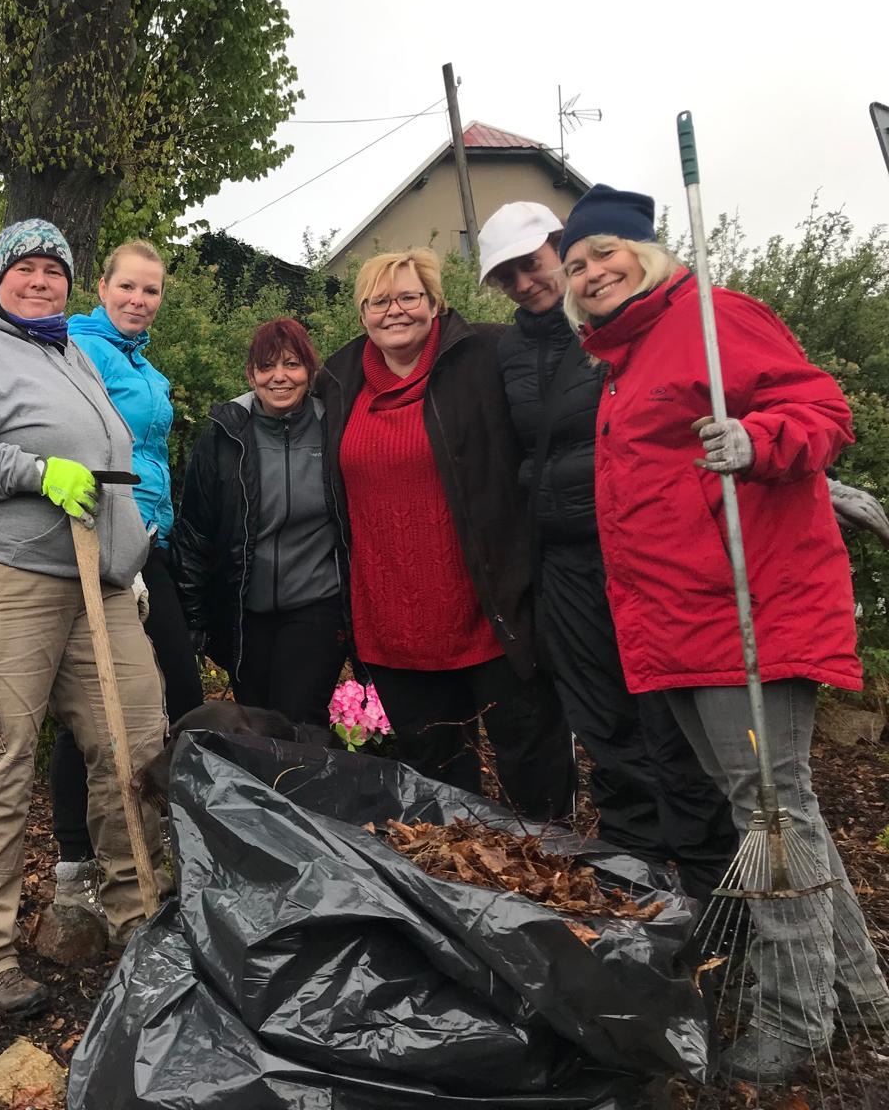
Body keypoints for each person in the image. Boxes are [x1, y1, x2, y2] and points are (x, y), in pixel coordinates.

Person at [560, 184, 889, 1080]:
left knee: (771, 812)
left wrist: (759, 438)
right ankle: (853, 994)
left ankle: (796, 1014)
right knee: (778, 809)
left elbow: (823, 413)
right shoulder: (623, 362)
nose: (590, 272)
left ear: (648, 251)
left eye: (605, 254)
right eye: (576, 265)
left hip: (750, 610)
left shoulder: (715, 319)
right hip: (682, 619)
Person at [0, 218, 170, 1016]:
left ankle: (138, 915)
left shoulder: (70, 353)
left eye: (54, 267)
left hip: (99, 580)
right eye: (26, 267)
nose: (41, 280)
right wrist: (32, 470)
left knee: (135, 741)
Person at [482, 201, 735, 901]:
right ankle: (638, 883)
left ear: (558, 249)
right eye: (506, 277)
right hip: (561, 559)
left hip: (638, 548)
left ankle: (713, 892)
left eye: (530, 266)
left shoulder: (618, 328)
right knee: (602, 721)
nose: (524, 285)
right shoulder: (506, 351)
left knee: (670, 720)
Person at [317, 249, 575, 820]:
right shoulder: (337, 380)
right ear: (362, 313)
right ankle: (470, 899)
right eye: (379, 300)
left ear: (435, 303)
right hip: (394, 620)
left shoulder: (486, 354)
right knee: (438, 790)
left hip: (492, 610)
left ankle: (561, 887)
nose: (395, 311)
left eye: (409, 297)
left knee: (534, 775)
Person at [47, 241, 206, 920]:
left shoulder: (141, 363)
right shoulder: (81, 353)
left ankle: (155, 843)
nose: (139, 301)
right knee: (96, 699)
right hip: (109, 547)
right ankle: (76, 863)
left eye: (151, 291)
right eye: (128, 288)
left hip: (150, 542)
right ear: (102, 287)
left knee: (167, 693)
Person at [171, 318, 348, 727]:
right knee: (252, 723)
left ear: (310, 370)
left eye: (292, 364)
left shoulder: (334, 429)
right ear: (251, 374)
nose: (280, 377)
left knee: (296, 721)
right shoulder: (224, 435)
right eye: (267, 367)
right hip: (244, 611)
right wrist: (194, 619)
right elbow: (195, 531)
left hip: (316, 605)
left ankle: (302, 792)